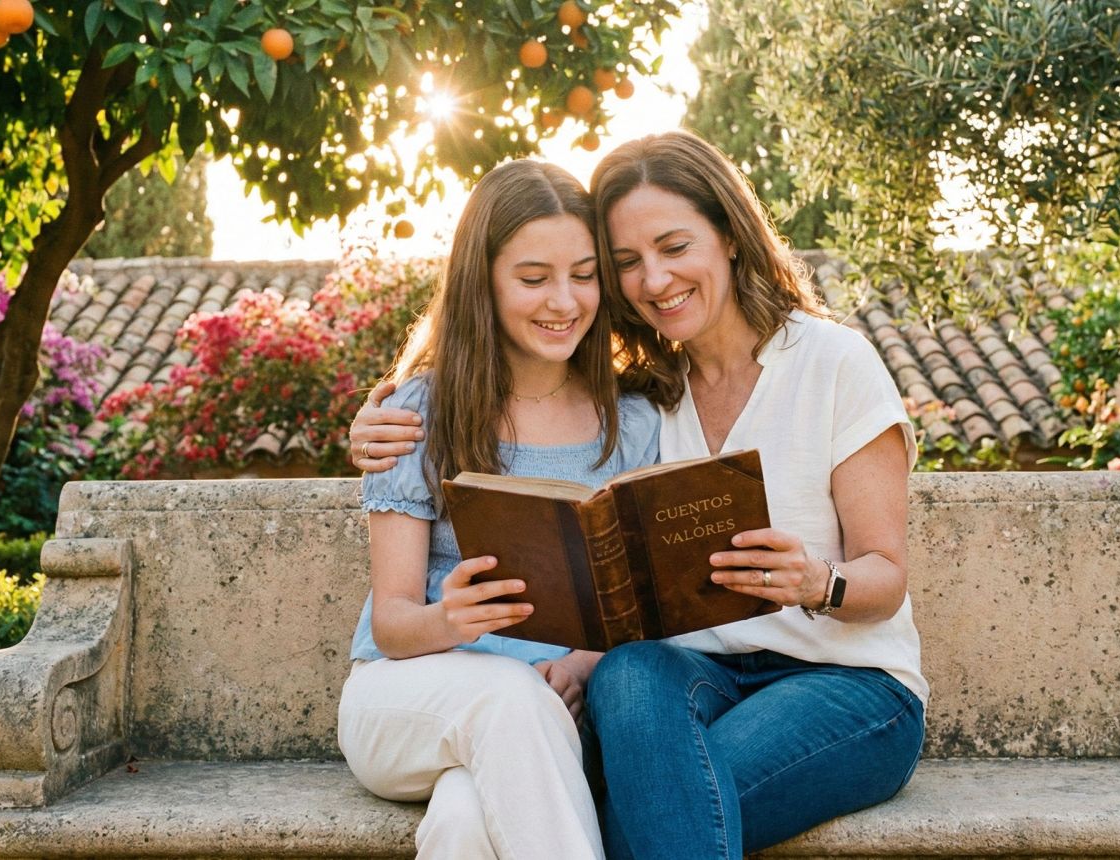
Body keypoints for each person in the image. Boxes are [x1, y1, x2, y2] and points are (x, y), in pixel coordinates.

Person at [349, 130, 926, 859]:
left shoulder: (832, 363)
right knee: (623, 676)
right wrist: (376, 421)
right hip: (693, 679)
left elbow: (887, 577)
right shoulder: (656, 395)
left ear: (731, 237)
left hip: (839, 680)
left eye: (674, 247)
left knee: (635, 814)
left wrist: (818, 580)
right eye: (627, 262)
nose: (654, 280)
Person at [336, 159, 660, 860]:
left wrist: (582, 665)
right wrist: (446, 620)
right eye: (533, 278)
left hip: (547, 724)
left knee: (461, 826)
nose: (564, 301)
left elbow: (641, 600)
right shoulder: (420, 413)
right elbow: (392, 625)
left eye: (584, 274)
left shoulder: (631, 423)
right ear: (483, 280)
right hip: (407, 699)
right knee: (510, 699)